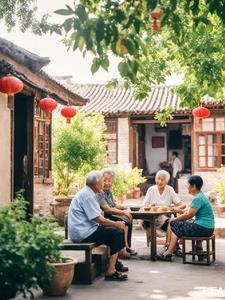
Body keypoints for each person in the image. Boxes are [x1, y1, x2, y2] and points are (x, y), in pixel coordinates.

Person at [68, 170, 128, 281]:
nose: (104, 183)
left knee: (114, 231)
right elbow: (98, 219)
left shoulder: (89, 192)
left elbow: (98, 218)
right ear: (96, 184)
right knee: (118, 234)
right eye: (102, 181)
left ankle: (113, 264)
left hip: (85, 229)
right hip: (83, 233)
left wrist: (114, 224)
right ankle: (111, 271)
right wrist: (116, 224)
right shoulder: (88, 195)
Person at [158, 175, 215, 261]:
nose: (187, 187)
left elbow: (189, 215)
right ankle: (198, 249)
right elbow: (189, 212)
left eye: (188, 185)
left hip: (202, 228)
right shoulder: (201, 196)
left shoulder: (197, 199)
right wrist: (178, 210)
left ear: (194, 186)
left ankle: (169, 252)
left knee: (174, 224)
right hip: (208, 228)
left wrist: (175, 219)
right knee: (183, 223)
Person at [97, 168, 137, 258]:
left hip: (109, 214)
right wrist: (124, 213)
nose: (107, 183)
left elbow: (113, 205)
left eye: (109, 181)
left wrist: (126, 208)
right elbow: (107, 209)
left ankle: (127, 246)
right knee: (125, 221)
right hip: (103, 216)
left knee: (129, 219)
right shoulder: (100, 192)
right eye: (105, 180)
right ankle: (123, 248)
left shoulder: (109, 192)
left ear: (113, 181)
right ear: (100, 180)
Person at [143, 170, 186, 250]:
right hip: (153, 219)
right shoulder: (151, 190)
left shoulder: (170, 190)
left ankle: (171, 246)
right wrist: (150, 206)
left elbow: (182, 205)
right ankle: (173, 247)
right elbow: (144, 207)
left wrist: (176, 208)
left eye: (162, 180)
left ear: (166, 181)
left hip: (166, 219)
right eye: (158, 179)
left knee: (173, 223)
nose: (159, 181)